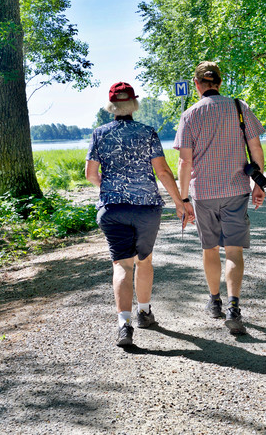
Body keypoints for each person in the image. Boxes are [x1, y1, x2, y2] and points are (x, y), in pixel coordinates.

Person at [86, 81, 193, 348]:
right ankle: (144, 312)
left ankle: (124, 325)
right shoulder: (147, 133)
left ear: (111, 105)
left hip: (113, 209)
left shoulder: (100, 133)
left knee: (122, 264)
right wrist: (180, 202)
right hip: (146, 208)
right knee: (144, 261)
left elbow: (90, 174)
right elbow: (164, 172)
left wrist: (109, 188)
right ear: (134, 103)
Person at [174, 61, 266, 335]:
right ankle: (234, 306)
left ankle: (214, 301)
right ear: (220, 82)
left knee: (210, 249)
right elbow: (256, 147)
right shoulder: (240, 107)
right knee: (234, 250)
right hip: (236, 190)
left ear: (197, 84)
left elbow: (184, 162)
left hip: (202, 193)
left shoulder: (189, 115)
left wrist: (183, 200)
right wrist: (258, 184)